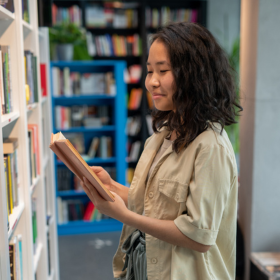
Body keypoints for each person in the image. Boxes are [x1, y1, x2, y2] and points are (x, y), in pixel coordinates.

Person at [81, 21, 243, 280]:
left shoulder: (211, 145)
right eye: (149, 71)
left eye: (163, 70)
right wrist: (111, 187)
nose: (151, 82)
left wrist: (126, 217)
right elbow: (152, 204)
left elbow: (200, 237)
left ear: (194, 74)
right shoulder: (162, 135)